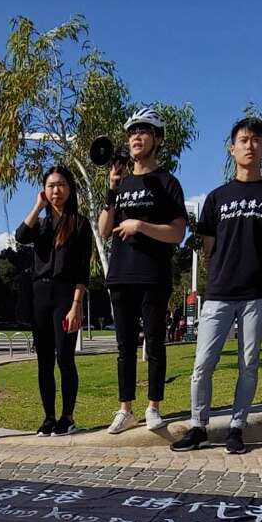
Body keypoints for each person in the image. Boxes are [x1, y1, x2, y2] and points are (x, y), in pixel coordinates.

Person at [172, 116, 262, 455]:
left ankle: (237, 427)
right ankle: (199, 426)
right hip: (219, 293)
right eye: (243, 139)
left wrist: (251, 266)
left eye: (256, 140)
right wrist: (226, 270)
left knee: (248, 364)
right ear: (232, 147)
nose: (249, 145)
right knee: (202, 364)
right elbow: (208, 245)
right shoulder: (217, 197)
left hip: (257, 292)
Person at [99, 108, 188, 434]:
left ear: (158, 138)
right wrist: (111, 189)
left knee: (154, 342)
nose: (137, 136)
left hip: (153, 273)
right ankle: (125, 409)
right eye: (133, 131)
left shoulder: (168, 182)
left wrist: (141, 225)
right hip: (121, 273)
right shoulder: (121, 181)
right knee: (124, 346)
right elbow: (105, 229)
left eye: (144, 131)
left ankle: (153, 407)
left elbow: (178, 233)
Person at [14, 165, 90, 436]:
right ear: (44, 191)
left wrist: (76, 305)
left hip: (65, 295)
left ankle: (67, 416)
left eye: (61, 185)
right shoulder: (41, 225)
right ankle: (48, 417)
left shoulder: (80, 223)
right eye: (50, 186)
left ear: (70, 190)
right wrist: (37, 207)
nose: (56, 190)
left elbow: (83, 270)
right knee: (44, 360)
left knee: (65, 358)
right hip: (40, 295)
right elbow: (20, 237)